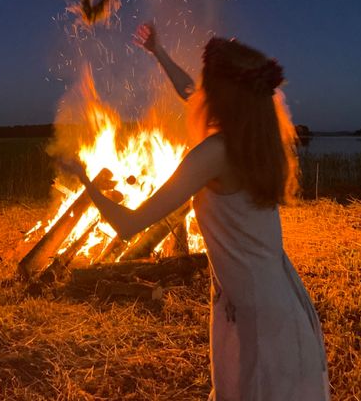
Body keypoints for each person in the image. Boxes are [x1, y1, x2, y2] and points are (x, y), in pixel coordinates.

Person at [61, 23, 330, 401]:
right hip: (277, 300)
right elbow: (191, 93)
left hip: (259, 318)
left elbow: (128, 224)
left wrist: (85, 179)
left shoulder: (213, 154)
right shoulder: (258, 141)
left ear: (222, 95)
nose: (202, 91)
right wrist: (160, 52)